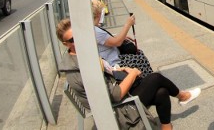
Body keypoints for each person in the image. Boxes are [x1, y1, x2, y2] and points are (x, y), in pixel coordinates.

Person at [56, 18, 200, 130]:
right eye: (73, 39)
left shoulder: (79, 58)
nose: (80, 40)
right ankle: (182, 96)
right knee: (155, 78)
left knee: (161, 91)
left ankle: (167, 125)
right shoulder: (83, 68)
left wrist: (122, 69)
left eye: (80, 35)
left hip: (114, 99)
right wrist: (133, 73)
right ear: (65, 44)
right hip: (117, 111)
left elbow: (108, 77)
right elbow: (117, 95)